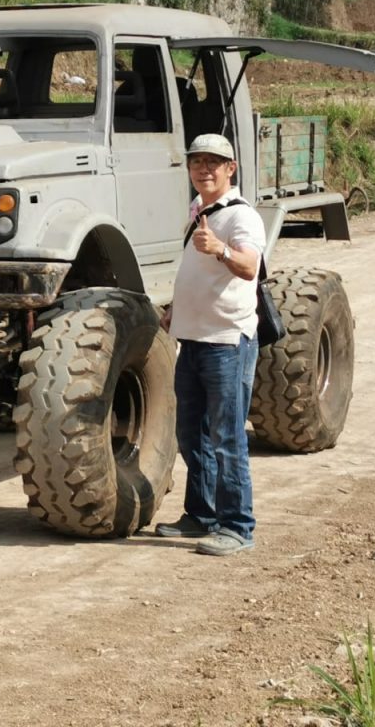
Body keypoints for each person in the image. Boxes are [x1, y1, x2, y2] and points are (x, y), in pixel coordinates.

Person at [155, 133, 266, 556]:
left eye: (213, 163)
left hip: (226, 343)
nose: (204, 169)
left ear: (230, 169)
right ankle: (201, 515)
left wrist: (220, 249)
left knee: (227, 437)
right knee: (191, 433)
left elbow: (249, 266)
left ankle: (238, 526)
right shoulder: (198, 209)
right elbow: (195, 273)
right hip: (193, 340)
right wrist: (175, 309)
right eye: (197, 162)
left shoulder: (241, 216)